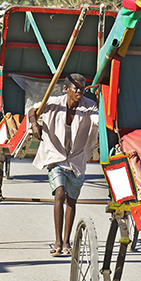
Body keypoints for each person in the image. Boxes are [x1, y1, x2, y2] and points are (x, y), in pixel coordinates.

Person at [30, 74, 98, 256]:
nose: (79, 91)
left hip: (76, 158)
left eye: (82, 88)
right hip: (56, 155)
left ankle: (67, 241)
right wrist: (34, 123)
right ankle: (57, 241)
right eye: (75, 88)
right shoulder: (53, 102)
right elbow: (33, 110)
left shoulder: (89, 106)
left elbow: (98, 121)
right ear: (66, 89)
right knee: (59, 192)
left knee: (71, 201)